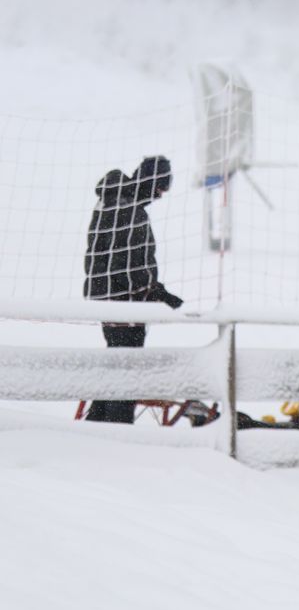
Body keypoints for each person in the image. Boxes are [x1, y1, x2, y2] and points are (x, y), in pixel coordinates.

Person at [82, 155, 183, 423]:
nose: (161, 195)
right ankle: (118, 429)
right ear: (149, 182)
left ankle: (96, 424)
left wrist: (154, 289)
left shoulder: (112, 201)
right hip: (123, 302)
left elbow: (124, 261)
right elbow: (128, 265)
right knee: (126, 369)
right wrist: (155, 292)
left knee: (116, 363)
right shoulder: (130, 211)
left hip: (108, 298)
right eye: (161, 187)